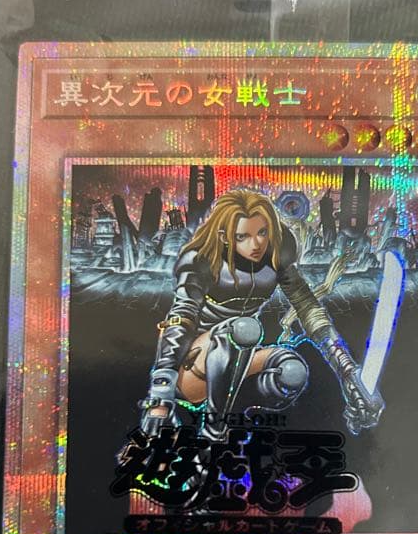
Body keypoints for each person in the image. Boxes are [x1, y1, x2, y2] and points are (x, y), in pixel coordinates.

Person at [136, 187, 383, 442]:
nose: (256, 245)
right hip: (192, 365)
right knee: (244, 329)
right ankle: (213, 432)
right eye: (243, 236)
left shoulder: (277, 252)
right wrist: (161, 393)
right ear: (224, 236)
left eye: (262, 233)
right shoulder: (202, 258)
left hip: (238, 362)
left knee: (292, 372)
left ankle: (233, 420)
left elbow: (308, 307)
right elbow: (181, 317)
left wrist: (346, 370)